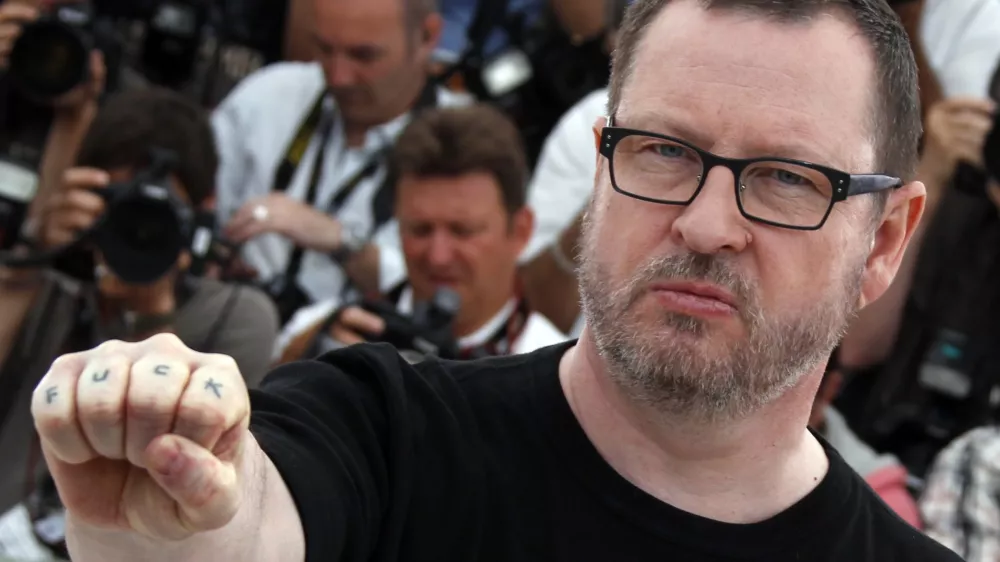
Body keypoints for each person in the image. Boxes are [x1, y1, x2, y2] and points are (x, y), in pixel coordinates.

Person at [29, 1, 961, 561]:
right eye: (665, 152)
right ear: (599, 168)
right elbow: (254, 516)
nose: (708, 224)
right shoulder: (384, 430)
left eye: (787, 178)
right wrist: (174, 521)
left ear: (883, 243)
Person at [0, 87, 279, 558]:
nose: (133, 228)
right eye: (119, 208)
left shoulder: (237, 315)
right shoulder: (45, 281)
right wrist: (30, 264)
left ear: (201, 214)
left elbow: (179, 463)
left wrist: (152, 304)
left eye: (156, 214)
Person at [212, 0, 469, 324]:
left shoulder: (463, 144)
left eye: (363, 55)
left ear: (427, 37)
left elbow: (444, 295)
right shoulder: (270, 94)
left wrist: (342, 242)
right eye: (324, 48)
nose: (338, 76)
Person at [275, 105, 567, 363]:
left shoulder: (559, 375)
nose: (438, 256)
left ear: (521, 230)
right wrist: (306, 363)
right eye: (420, 230)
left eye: (462, 231)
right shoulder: (321, 332)